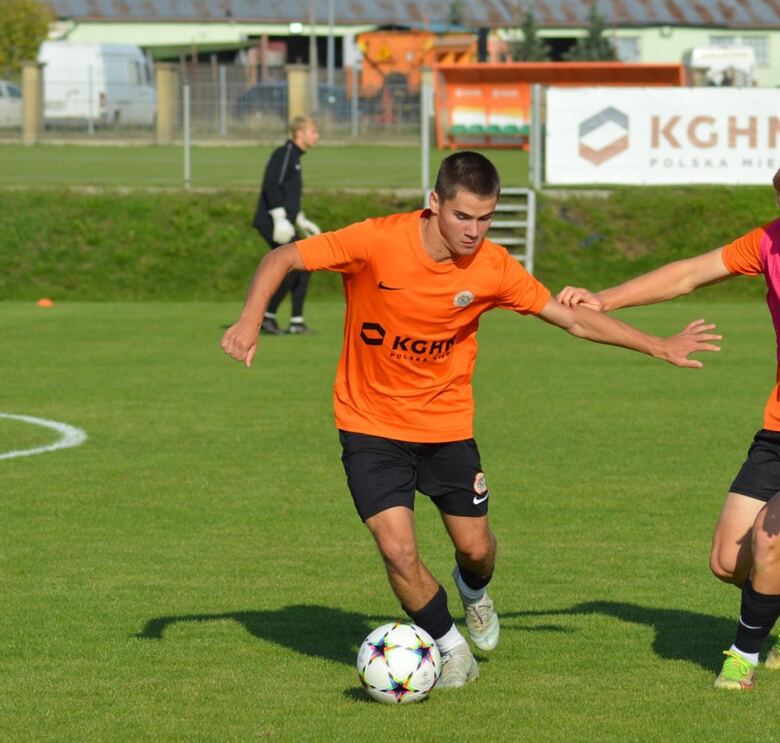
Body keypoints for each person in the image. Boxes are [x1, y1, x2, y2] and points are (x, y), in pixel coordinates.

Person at [221, 151, 722, 689]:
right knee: (397, 548)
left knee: (477, 550)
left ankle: (474, 593)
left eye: (486, 218)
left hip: (446, 426)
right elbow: (282, 258)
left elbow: (570, 318)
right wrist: (250, 321)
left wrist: (658, 345)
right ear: (434, 202)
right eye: (463, 217)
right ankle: (450, 647)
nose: (474, 230)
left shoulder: (493, 267)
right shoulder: (376, 241)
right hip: (369, 423)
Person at [557, 142, 780, 691]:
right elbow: (690, 274)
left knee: (771, 542)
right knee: (728, 562)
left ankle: (740, 660)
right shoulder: (772, 242)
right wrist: (605, 299)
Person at [252, 115, 321, 335]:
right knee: (292, 267)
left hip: (286, 221)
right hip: (271, 222)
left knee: (305, 266)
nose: (317, 136)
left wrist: (299, 218)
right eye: (313, 131)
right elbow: (271, 186)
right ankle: (267, 317)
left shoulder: (296, 157)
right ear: (299, 133)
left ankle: (296, 321)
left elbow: (288, 193)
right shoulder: (284, 154)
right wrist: (279, 218)